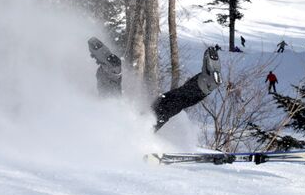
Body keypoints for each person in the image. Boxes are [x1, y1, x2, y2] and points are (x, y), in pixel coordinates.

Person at [88, 37, 222, 131]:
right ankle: (203, 85)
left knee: (112, 105)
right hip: (129, 128)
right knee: (165, 106)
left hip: (117, 134)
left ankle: (112, 70)